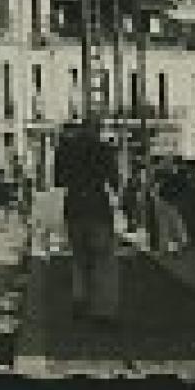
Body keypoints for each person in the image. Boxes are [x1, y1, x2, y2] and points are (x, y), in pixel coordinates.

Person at [56, 123, 121, 325]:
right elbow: (114, 181)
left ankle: (80, 300)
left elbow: (58, 181)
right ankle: (102, 310)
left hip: (74, 208)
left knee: (79, 258)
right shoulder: (104, 150)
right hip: (98, 208)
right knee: (103, 259)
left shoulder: (65, 150)